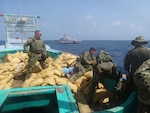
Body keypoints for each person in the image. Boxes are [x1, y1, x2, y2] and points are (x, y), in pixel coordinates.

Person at [123, 36, 150, 113]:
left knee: (129, 90)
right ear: (143, 43)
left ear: (135, 43)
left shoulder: (130, 53)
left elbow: (126, 67)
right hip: (148, 78)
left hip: (135, 78)